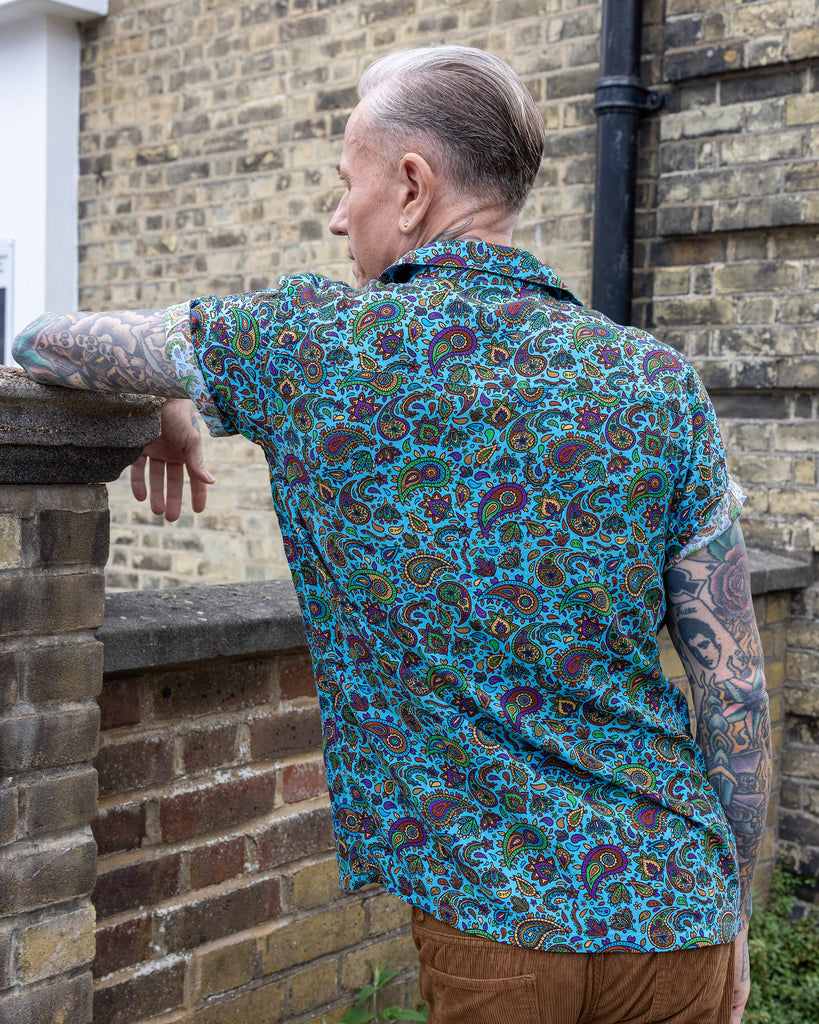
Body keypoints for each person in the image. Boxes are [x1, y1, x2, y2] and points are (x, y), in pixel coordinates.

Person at [14, 45, 770, 1024]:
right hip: (681, 908)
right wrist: (731, 905)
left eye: (347, 183)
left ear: (412, 185)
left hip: (500, 924)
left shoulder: (310, 343)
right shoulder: (655, 381)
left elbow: (43, 341)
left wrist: (165, 384)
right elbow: (735, 685)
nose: (337, 215)